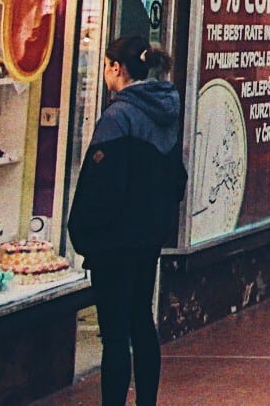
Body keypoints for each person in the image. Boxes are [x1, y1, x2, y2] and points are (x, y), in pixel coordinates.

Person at [66, 37, 185, 406]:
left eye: (106, 66)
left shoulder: (118, 116)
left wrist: (83, 234)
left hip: (114, 242)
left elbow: (100, 186)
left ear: (116, 68)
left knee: (115, 335)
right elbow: (175, 178)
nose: (105, 73)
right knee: (141, 322)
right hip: (147, 239)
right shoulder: (165, 110)